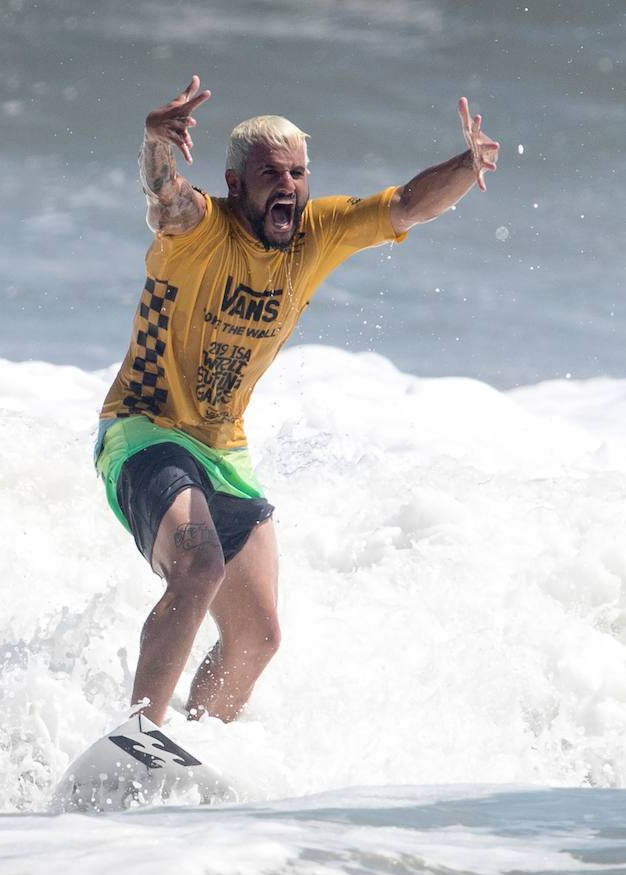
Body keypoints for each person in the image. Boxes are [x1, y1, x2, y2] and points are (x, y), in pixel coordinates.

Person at [94, 75, 499, 726]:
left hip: (223, 450)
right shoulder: (201, 228)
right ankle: (139, 737)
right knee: (197, 571)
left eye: (298, 173)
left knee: (259, 635)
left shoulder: (316, 234)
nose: (289, 185)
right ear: (235, 184)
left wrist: (467, 163)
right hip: (144, 430)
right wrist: (153, 142)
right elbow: (163, 198)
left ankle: (191, 752)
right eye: (271, 174)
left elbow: (407, 207)